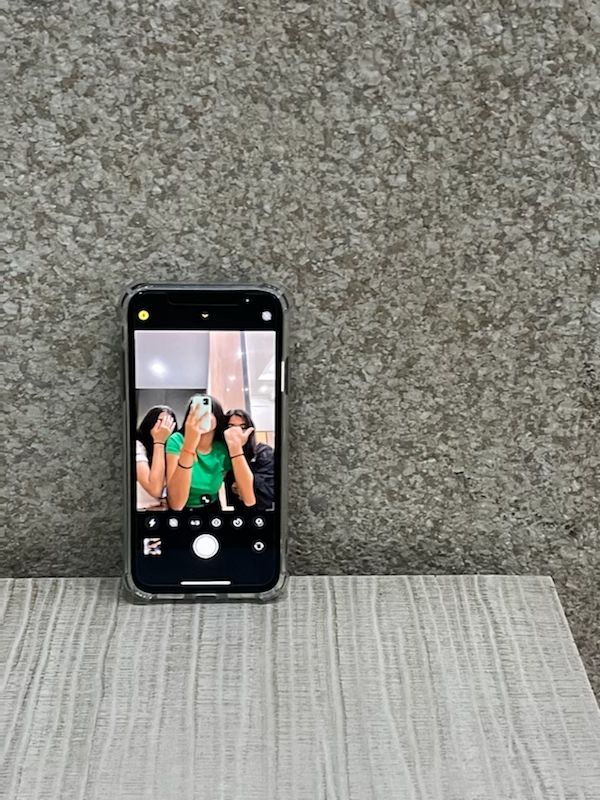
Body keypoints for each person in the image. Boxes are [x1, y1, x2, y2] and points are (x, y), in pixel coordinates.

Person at [165, 396, 256, 510]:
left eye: (209, 411)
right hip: (183, 509)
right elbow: (176, 504)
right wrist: (189, 445)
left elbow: (249, 499)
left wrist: (236, 448)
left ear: (217, 416)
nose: (203, 416)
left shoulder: (222, 447)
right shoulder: (177, 440)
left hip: (212, 507)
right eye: (197, 412)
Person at [224, 409, 275, 510]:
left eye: (242, 427)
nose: (237, 432)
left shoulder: (264, 452)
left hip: (263, 510)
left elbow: (267, 490)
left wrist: (239, 485)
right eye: (231, 427)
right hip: (237, 510)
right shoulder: (223, 454)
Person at [135, 406, 177, 510]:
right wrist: (159, 441)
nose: (164, 427)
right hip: (141, 508)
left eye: (168, 422)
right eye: (160, 421)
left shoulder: (173, 448)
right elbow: (155, 489)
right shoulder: (137, 445)